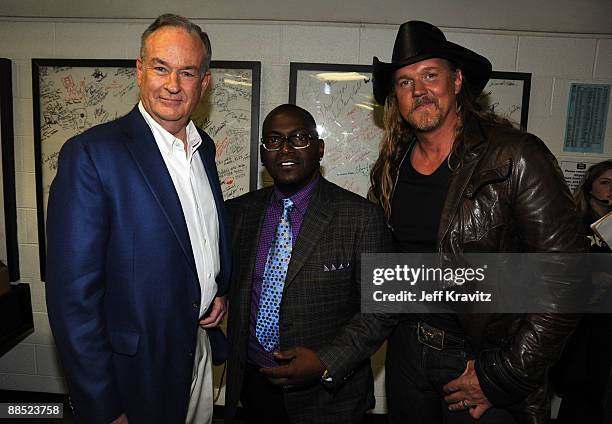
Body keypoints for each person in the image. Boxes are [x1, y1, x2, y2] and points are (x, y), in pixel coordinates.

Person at [369, 20, 586, 424]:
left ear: (457, 81)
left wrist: (503, 374)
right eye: (404, 82)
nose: (418, 90)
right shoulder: (390, 167)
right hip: (406, 355)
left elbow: (568, 276)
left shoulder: (515, 156)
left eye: (430, 75)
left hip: (479, 361)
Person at [45, 14, 230, 424]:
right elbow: (73, 300)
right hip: (134, 373)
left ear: (204, 82)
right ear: (140, 70)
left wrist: (216, 291)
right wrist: (104, 406)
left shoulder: (206, 151)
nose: (172, 84)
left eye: (187, 72)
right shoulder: (92, 155)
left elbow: (198, 239)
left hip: (197, 350)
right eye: (161, 68)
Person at [223, 104, 396, 424]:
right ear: (263, 153)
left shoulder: (362, 217)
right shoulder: (238, 214)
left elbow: (382, 309)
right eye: (274, 140)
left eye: (299, 138)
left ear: (320, 148)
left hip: (329, 400)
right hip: (252, 390)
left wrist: (324, 362)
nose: (286, 149)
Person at [551, 160, 612, 423]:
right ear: (590, 187)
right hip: (577, 316)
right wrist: (589, 276)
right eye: (606, 182)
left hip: (606, 318)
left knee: (596, 385)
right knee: (573, 381)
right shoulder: (573, 221)